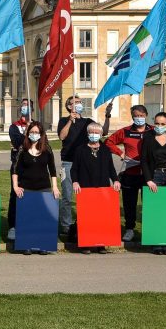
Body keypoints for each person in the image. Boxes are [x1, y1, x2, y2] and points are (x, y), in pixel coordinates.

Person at [56, 96, 111, 239]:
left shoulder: (87, 122)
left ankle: (87, 223)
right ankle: (66, 226)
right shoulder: (63, 121)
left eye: (80, 102)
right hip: (68, 162)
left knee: (87, 196)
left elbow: (103, 132)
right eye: (76, 103)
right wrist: (70, 120)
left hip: (84, 163)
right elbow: (62, 136)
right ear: (69, 106)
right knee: (67, 196)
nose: (79, 104)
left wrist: (107, 116)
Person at [70, 122, 121, 254]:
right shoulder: (80, 150)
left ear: (100, 134)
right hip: (85, 188)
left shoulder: (105, 150)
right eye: (91, 132)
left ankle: (101, 244)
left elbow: (111, 167)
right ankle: (86, 244)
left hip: (103, 187)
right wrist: (75, 182)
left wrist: (115, 180)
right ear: (87, 134)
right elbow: (74, 169)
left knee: (101, 216)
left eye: (96, 133)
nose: (94, 135)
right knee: (87, 216)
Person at [10, 121, 60, 255]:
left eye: (37, 132)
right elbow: (15, 169)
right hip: (26, 189)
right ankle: (27, 244)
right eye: (31, 132)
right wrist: (15, 186)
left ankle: (43, 244)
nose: (34, 134)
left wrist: (55, 187)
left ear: (41, 134)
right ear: (28, 133)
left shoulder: (47, 149)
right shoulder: (22, 149)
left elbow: (53, 170)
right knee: (28, 219)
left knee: (42, 219)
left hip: (44, 188)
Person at [105, 104, 152, 242]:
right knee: (129, 203)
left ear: (146, 116)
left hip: (148, 174)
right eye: (136, 116)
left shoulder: (153, 130)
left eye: (142, 116)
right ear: (132, 117)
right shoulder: (125, 131)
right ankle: (130, 229)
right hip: (130, 172)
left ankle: (149, 230)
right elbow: (109, 142)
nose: (139, 118)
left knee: (149, 203)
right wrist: (120, 152)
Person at [140, 111, 166, 255]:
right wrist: (149, 180)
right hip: (154, 177)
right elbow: (144, 161)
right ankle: (156, 241)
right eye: (157, 123)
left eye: (162, 124)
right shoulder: (148, 140)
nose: (159, 126)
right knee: (155, 211)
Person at [6, 98, 32, 240]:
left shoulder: (36, 126)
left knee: (31, 194)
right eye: (23, 106)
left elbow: (41, 142)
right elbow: (17, 141)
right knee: (15, 195)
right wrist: (27, 135)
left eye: (27, 106)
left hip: (33, 165)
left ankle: (28, 224)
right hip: (17, 165)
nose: (25, 108)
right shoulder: (13, 126)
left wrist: (29, 135)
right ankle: (13, 226)